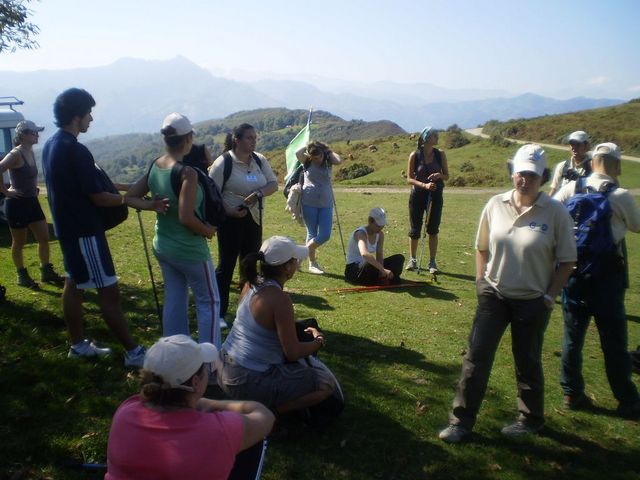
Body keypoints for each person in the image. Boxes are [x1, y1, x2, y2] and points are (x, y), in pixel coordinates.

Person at [438, 144, 576, 443]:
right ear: (511, 172)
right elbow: (482, 247)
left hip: (533, 301)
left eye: (531, 174)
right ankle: (460, 422)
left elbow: (567, 261)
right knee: (476, 358)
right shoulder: (495, 204)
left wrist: (550, 297)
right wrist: (480, 283)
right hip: (494, 295)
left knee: (527, 361)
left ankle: (531, 419)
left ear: (542, 177)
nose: (524, 179)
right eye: (519, 172)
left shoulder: (555, 212)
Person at [42, 88, 165, 367]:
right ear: (77, 115)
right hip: (85, 232)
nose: (91, 120)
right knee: (108, 292)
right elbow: (98, 196)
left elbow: (90, 185)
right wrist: (135, 201)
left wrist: (128, 191)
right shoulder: (75, 149)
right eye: (89, 113)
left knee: (73, 284)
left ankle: (77, 345)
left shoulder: (52, 144)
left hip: (68, 229)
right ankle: (134, 353)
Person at [106, 334, 274, 480]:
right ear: (195, 382)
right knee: (255, 440)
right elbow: (264, 415)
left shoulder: (126, 410)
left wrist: (197, 402)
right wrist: (214, 405)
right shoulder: (222, 430)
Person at [553, 142, 640, 417]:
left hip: (574, 274)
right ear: (614, 164)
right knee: (613, 339)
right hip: (607, 278)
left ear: (593, 161)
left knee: (572, 337)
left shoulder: (571, 189)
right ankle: (626, 398)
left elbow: (553, 214)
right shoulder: (620, 195)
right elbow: (638, 225)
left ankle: (571, 392)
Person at [126, 113, 223, 347]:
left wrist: (152, 205)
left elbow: (129, 197)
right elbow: (186, 217)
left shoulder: (156, 165)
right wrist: (207, 231)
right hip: (189, 249)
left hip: (164, 246)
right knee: (209, 302)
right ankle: (210, 367)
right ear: (188, 139)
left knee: (175, 299)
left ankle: (175, 355)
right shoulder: (187, 173)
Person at [218, 236, 337, 417]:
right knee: (326, 384)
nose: (297, 264)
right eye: (295, 260)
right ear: (287, 268)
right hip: (245, 381)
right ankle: (272, 415)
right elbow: (292, 352)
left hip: (222, 366)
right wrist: (318, 341)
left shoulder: (252, 282)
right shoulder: (279, 299)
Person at [209, 124, 278, 321]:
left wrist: (258, 194)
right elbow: (212, 192)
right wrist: (229, 211)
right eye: (249, 138)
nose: (254, 141)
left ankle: (247, 311)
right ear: (237, 140)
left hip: (254, 218)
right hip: (230, 221)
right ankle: (219, 313)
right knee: (226, 265)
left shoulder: (259, 159)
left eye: (255, 137)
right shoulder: (223, 163)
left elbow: (273, 184)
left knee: (250, 265)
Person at [0, 120, 64, 289]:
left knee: (44, 237)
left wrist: (32, 187)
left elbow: (25, 175)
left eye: (37, 132)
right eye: (34, 132)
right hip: (17, 204)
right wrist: (6, 192)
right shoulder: (16, 154)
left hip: (31, 201)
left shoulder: (30, 151)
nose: (37, 135)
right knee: (19, 242)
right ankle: (22, 275)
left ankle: (46, 271)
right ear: (23, 135)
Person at [405, 126, 449, 274]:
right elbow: (409, 179)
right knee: (415, 228)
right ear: (426, 138)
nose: (437, 137)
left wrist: (438, 176)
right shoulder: (414, 155)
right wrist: (424, 185)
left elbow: (446, 175)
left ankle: (432, 262)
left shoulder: (440, 154)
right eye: (434, 135)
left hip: (435, 196)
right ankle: (412, 260)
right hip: (418, 195)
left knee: (433, 229)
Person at [295, 140, 342, 274]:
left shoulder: (328, 160)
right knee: (312, 233)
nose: (317, 160)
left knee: (325, 234)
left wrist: (327, 151)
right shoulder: (306, 160)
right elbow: (296, 153)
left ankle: (301, 255)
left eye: (319, 157)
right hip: (309, 202)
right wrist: (308, 145)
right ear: (310, 156)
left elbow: (339, 160)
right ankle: (312, 264)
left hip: (326, 203)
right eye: (314, 158)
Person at [344, 207, 405, 285]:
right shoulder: (360, 233)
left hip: (368, 267)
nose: (381, 228)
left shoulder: (380, 234)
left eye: (382, 226)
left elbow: (379, 254)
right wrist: (383, 270)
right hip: (354, 270)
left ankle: (383, 278)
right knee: (370, 263)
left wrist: (381, 272)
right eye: (378, 225)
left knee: (399, 259)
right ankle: (388, 278)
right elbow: (365, 254)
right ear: (370, 221)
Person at [548, 130, 591, 197]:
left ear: (586, 146)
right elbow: (554, 190)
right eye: (572, 144)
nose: (574, 148)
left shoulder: (593, 167)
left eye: (578, 144)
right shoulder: (562, 166)